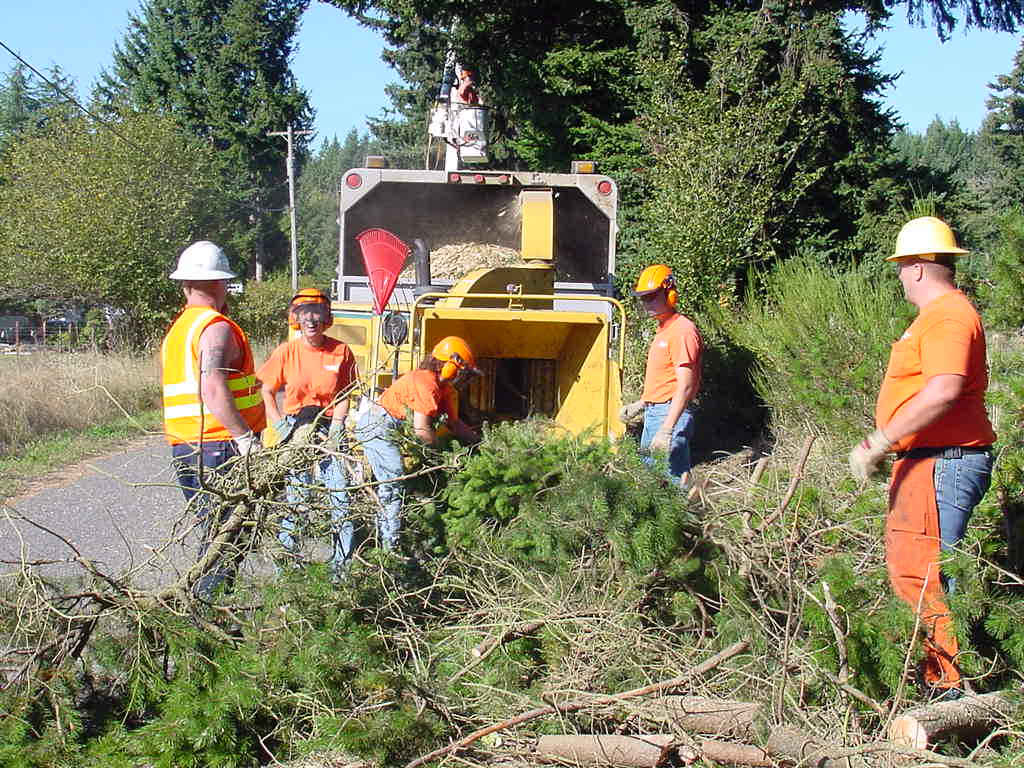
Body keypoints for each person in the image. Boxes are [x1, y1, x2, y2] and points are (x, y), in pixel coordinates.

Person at [849, 216, 995, 700]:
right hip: (929, 460)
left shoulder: (947, 316)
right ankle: (944, 678)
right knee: (919, 570)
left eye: (900, 267)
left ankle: (948, 691)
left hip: (941, 460)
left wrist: (879, 440)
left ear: (914, 268)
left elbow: (944, 390)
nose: (900, 278)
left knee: (923, 574)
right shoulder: (940, 317)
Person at [162, 240, 266, 597]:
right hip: (220, 446)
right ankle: (207, 612)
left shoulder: (179, 330)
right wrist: (245, 439)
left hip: (187, 446)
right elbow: (211, 386)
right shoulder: (216, 327)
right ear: (221, 283)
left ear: (186, 284)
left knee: (215, 533)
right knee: (228, 539)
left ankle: (205, 612)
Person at [256, 288, 357, 575]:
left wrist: (338, 426)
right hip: (296, 428)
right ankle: (288, 572)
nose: (311, 320)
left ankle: (341, 573)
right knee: (298, 500)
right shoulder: (286, 352)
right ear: (296, 318)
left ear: (326, 318)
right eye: (304, 315)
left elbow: (346, 392)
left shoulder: (340, 351)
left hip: (327, 427)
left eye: (317, 314)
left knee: (341, 499)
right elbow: (267, 389)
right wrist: (279, 425)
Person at [356, 336, 481, 550]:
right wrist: (445, 458)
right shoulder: (425, 382)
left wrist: (481, 443)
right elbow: (422, 431)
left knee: (397, 482)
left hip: (393, 429)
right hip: (377, 425)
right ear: (449, 366)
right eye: (463, 373)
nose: (464, 379)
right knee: (394, 478)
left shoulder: (446, 390)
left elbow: (454, 424)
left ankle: (388, 537)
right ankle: (389, 548)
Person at [620, 264, 703, 486]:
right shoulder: (664, 329)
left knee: (673, 482)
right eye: (643, 298)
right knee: (651, 481)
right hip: (656, 411)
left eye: (652, 297)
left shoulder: (682, 331)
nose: (647, 303)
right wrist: (642, 403)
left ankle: (687, 520)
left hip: (669, 414)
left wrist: (667, 429)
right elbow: (667, 379)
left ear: (670, 293)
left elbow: (685, 386)